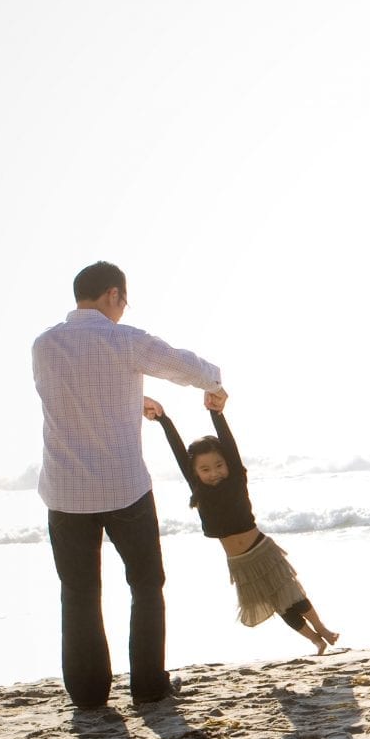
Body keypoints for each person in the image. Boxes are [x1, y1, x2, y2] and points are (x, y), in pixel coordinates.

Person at [33, 261, 226, 708]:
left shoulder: (44, 345)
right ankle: (148, 687)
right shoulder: (125, 340)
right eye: (124, 301)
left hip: (65, 492)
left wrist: (131, 397)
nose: (123, 309)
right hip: (124, 490)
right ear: (113, 294)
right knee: (146, 584)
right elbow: (180, 364)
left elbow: (70, 393)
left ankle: (88, 695)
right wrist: (214, 382)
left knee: (79, 594)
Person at [145, 395, 340, 654]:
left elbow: (228, 442)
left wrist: (215, 413)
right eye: (205, 469)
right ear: (195, 472)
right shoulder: (198, 489)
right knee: (278, 605)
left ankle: (323, 629)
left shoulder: (236, 478)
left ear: (228, 464)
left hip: (262, 550)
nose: (214, 472)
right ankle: (315, 640)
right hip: (240, 563)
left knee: (291, 594)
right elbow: (179, 452)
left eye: (219, 465)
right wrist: (163, 420)